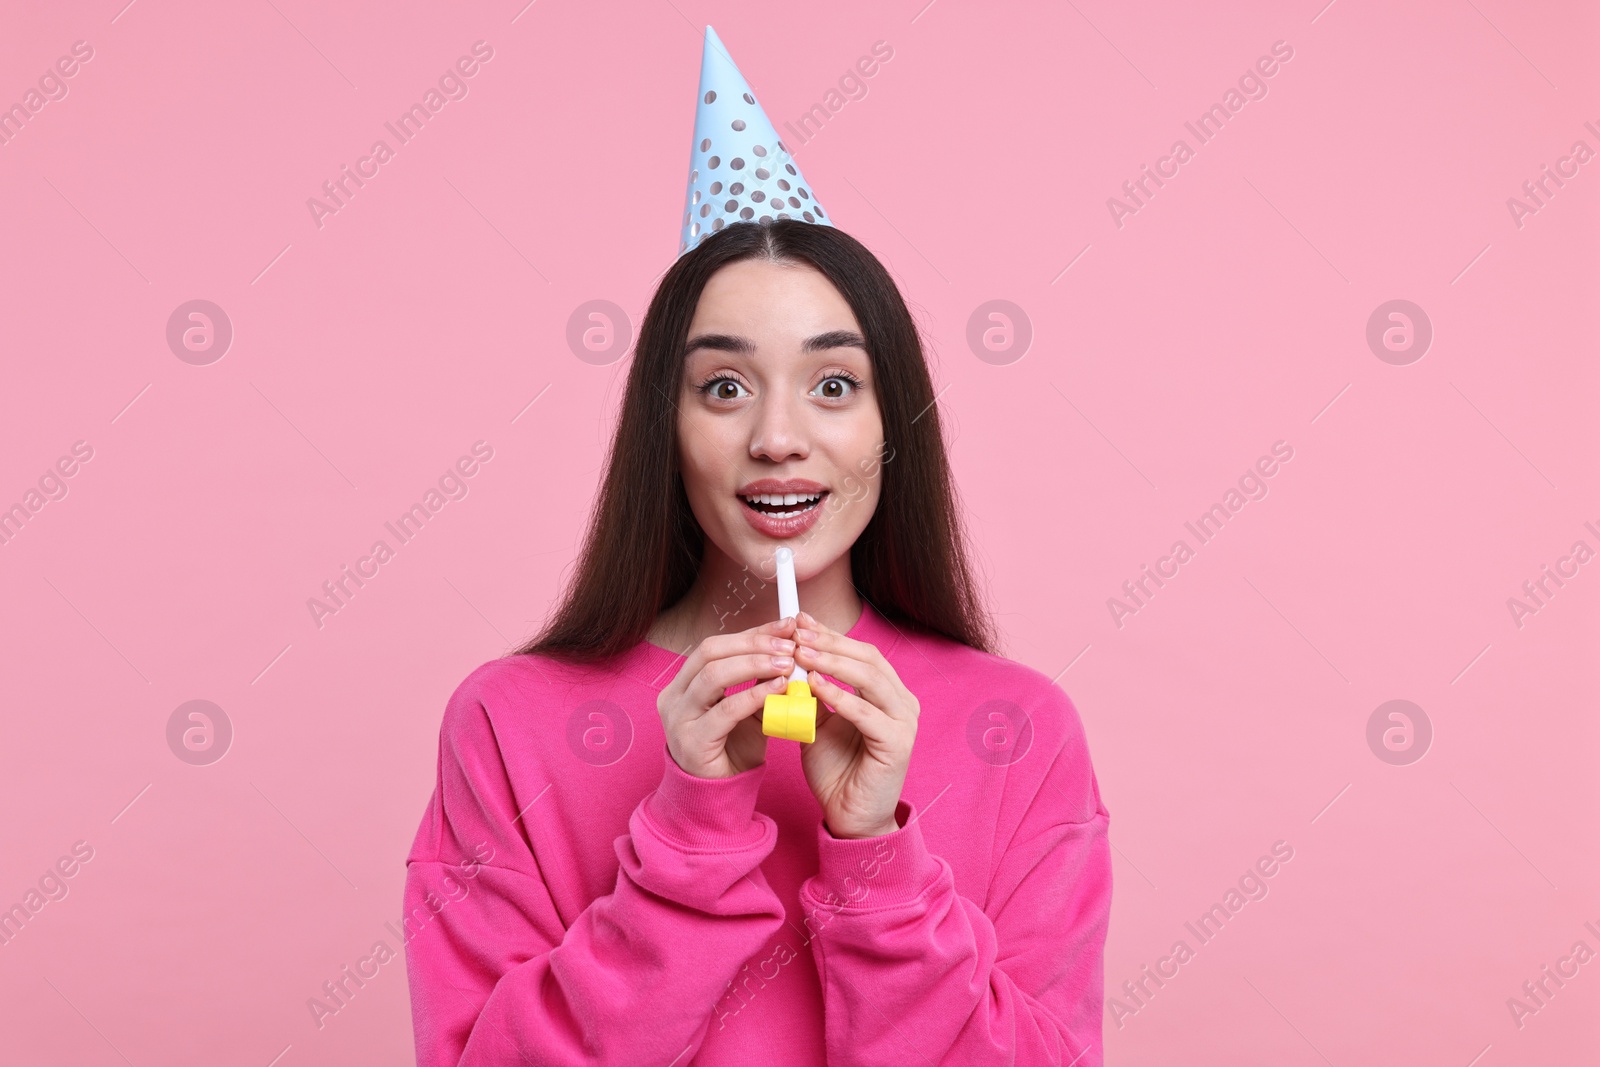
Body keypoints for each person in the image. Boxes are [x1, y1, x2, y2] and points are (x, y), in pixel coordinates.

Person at [401, 26, 1110, 1067]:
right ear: (666, 427)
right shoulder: (506, 725)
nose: (777, 435)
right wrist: (689, 830)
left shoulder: (1025, 730)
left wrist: (875, 857)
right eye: (723, 386)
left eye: (833, 384)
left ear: (889, 427)